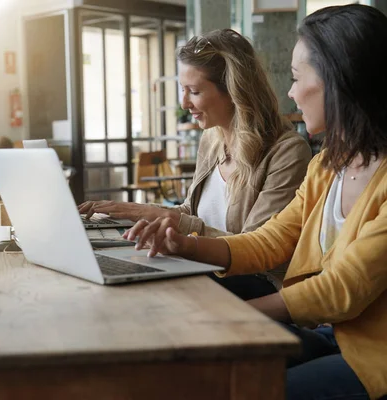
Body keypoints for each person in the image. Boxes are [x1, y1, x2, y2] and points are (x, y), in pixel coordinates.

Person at [125, 5, 387, 399]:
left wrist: (233, 313)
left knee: (246, 386)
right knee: (203, 368)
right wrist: (186, 246)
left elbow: (342, 288)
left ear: (339, 81)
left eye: (298, 79)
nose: (291, 92)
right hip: (326, 334)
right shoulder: (325, 167)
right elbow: (269, 240)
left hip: (372, 354)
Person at [80, 28, 311, 300]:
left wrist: (168, 220)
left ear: (235, 91)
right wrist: (136, 213)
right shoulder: (211, 138)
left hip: (257, 283)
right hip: (201, 266)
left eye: (194, 91)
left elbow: (256, 250)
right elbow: (191, 211)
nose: (184, 103)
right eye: (182, 89)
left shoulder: (288, 152)